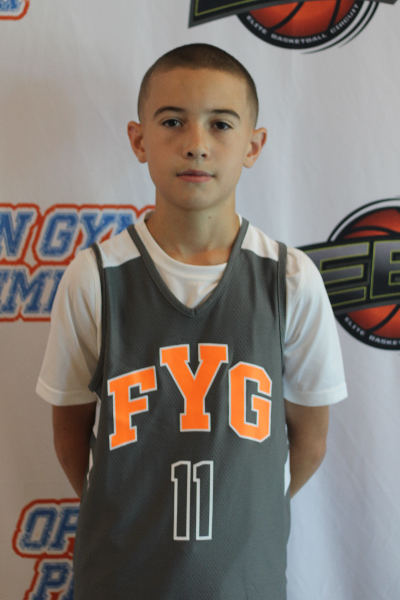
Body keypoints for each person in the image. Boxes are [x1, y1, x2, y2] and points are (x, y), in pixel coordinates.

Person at [36, 43, 347, 600]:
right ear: (139, 140)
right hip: (120, 579)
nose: (196, 144)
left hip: (244, 582)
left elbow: (311, 441)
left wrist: (246, 515)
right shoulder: (95, 277)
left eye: (220, 124)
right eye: (173, 122)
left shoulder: (290, 279)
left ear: (253, 145)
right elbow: (69, 434)